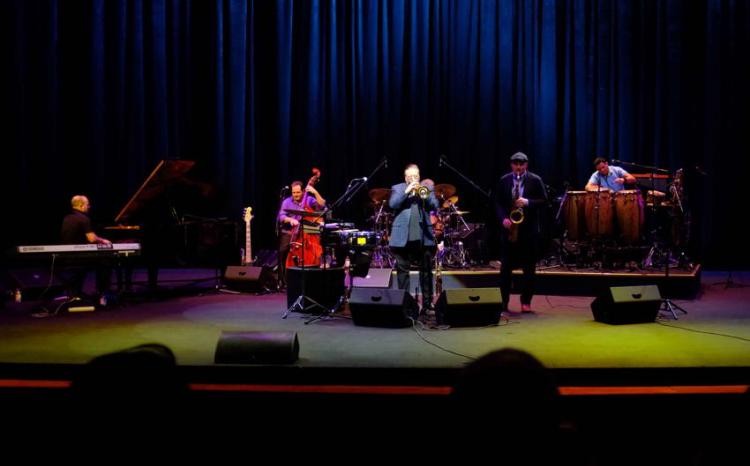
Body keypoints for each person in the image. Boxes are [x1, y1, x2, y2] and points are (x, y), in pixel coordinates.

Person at [493, 152, 549, 312]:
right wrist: (503, 218)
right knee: (505, 270)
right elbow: (497, 202)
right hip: (509, 230)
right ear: (511, 164)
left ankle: (526, 302)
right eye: (516, 164)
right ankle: (503, 302)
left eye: (521, 164)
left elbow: (545, 201)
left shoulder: (535, 180)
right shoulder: (504, 180)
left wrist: (528, 202)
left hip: (528, 231)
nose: (518, 167)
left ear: (526, 165)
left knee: (529, 269)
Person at [388, 164, 440, 313]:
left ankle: (428, 305)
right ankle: (406, 305)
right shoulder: (398, 188)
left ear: (419, 176)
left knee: (426, 272)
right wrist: (407, 191)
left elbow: (435, 205)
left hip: (424, 237)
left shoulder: (426, 188)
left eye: (416, 176)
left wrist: (424, 193)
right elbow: (393, 204)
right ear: (406, 178)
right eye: (410, 177)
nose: (413, 179)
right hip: (402, 238)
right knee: (403, 272)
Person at [60, 195, 112, 300]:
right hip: (79, 257)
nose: (89, 207)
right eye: (87, 204)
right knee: (105, 262)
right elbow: (92, 239)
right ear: (81, 205)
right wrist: (103, 240)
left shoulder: (67, 218)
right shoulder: (83, 219)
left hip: (67, 256)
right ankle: (102, 293)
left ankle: (77, 293)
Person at [277, 180, 326, 288]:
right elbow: (281, 216)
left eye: (298, 192)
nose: (295, 195)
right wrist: (290, 220)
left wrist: (315, 192)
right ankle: (283, 281)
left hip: (306, 231)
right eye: (293, 192)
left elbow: (322, 205)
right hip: (290, 231)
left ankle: (308, 279)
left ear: (303, 191)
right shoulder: (287, 201)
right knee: (283, 251)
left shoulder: (309, 199)